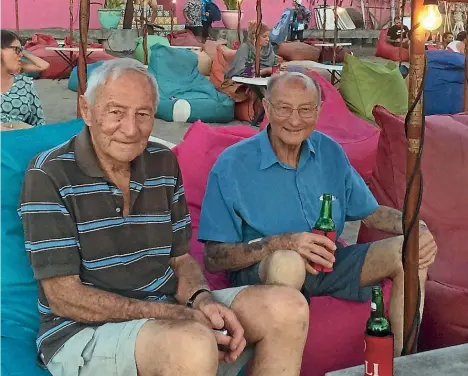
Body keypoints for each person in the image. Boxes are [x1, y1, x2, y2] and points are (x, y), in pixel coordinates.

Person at [19, 58, 309, 376]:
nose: (130, 129)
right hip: (84, 332)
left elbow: (180, 260)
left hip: (166, 311)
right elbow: (64, 298)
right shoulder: (49, 173)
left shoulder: (162, 163)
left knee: (288, 308)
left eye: (142, 114)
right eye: (115, 112)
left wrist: (201, 300)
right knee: (193, 343)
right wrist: (172, 315)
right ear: (87, 111)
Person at [199, 72, 437, 357]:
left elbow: (371, 213)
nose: (295, 120)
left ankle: (403, 363)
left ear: (319, 111)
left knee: (409, 251)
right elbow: (214, 258)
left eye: (305, 109)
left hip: (330, 262)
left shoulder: (330, 152)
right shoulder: (233, 165)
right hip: (265, 271)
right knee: (288, 262)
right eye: (284, 108)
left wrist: (416, 228)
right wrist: (283, 243)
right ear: (268, 107)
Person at [1, 29, 49, 129]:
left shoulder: (23, 83)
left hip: (22, 138)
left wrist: (23, 51)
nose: (21, 55)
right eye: (16, 50)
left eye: (21, 51)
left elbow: (39, 122)